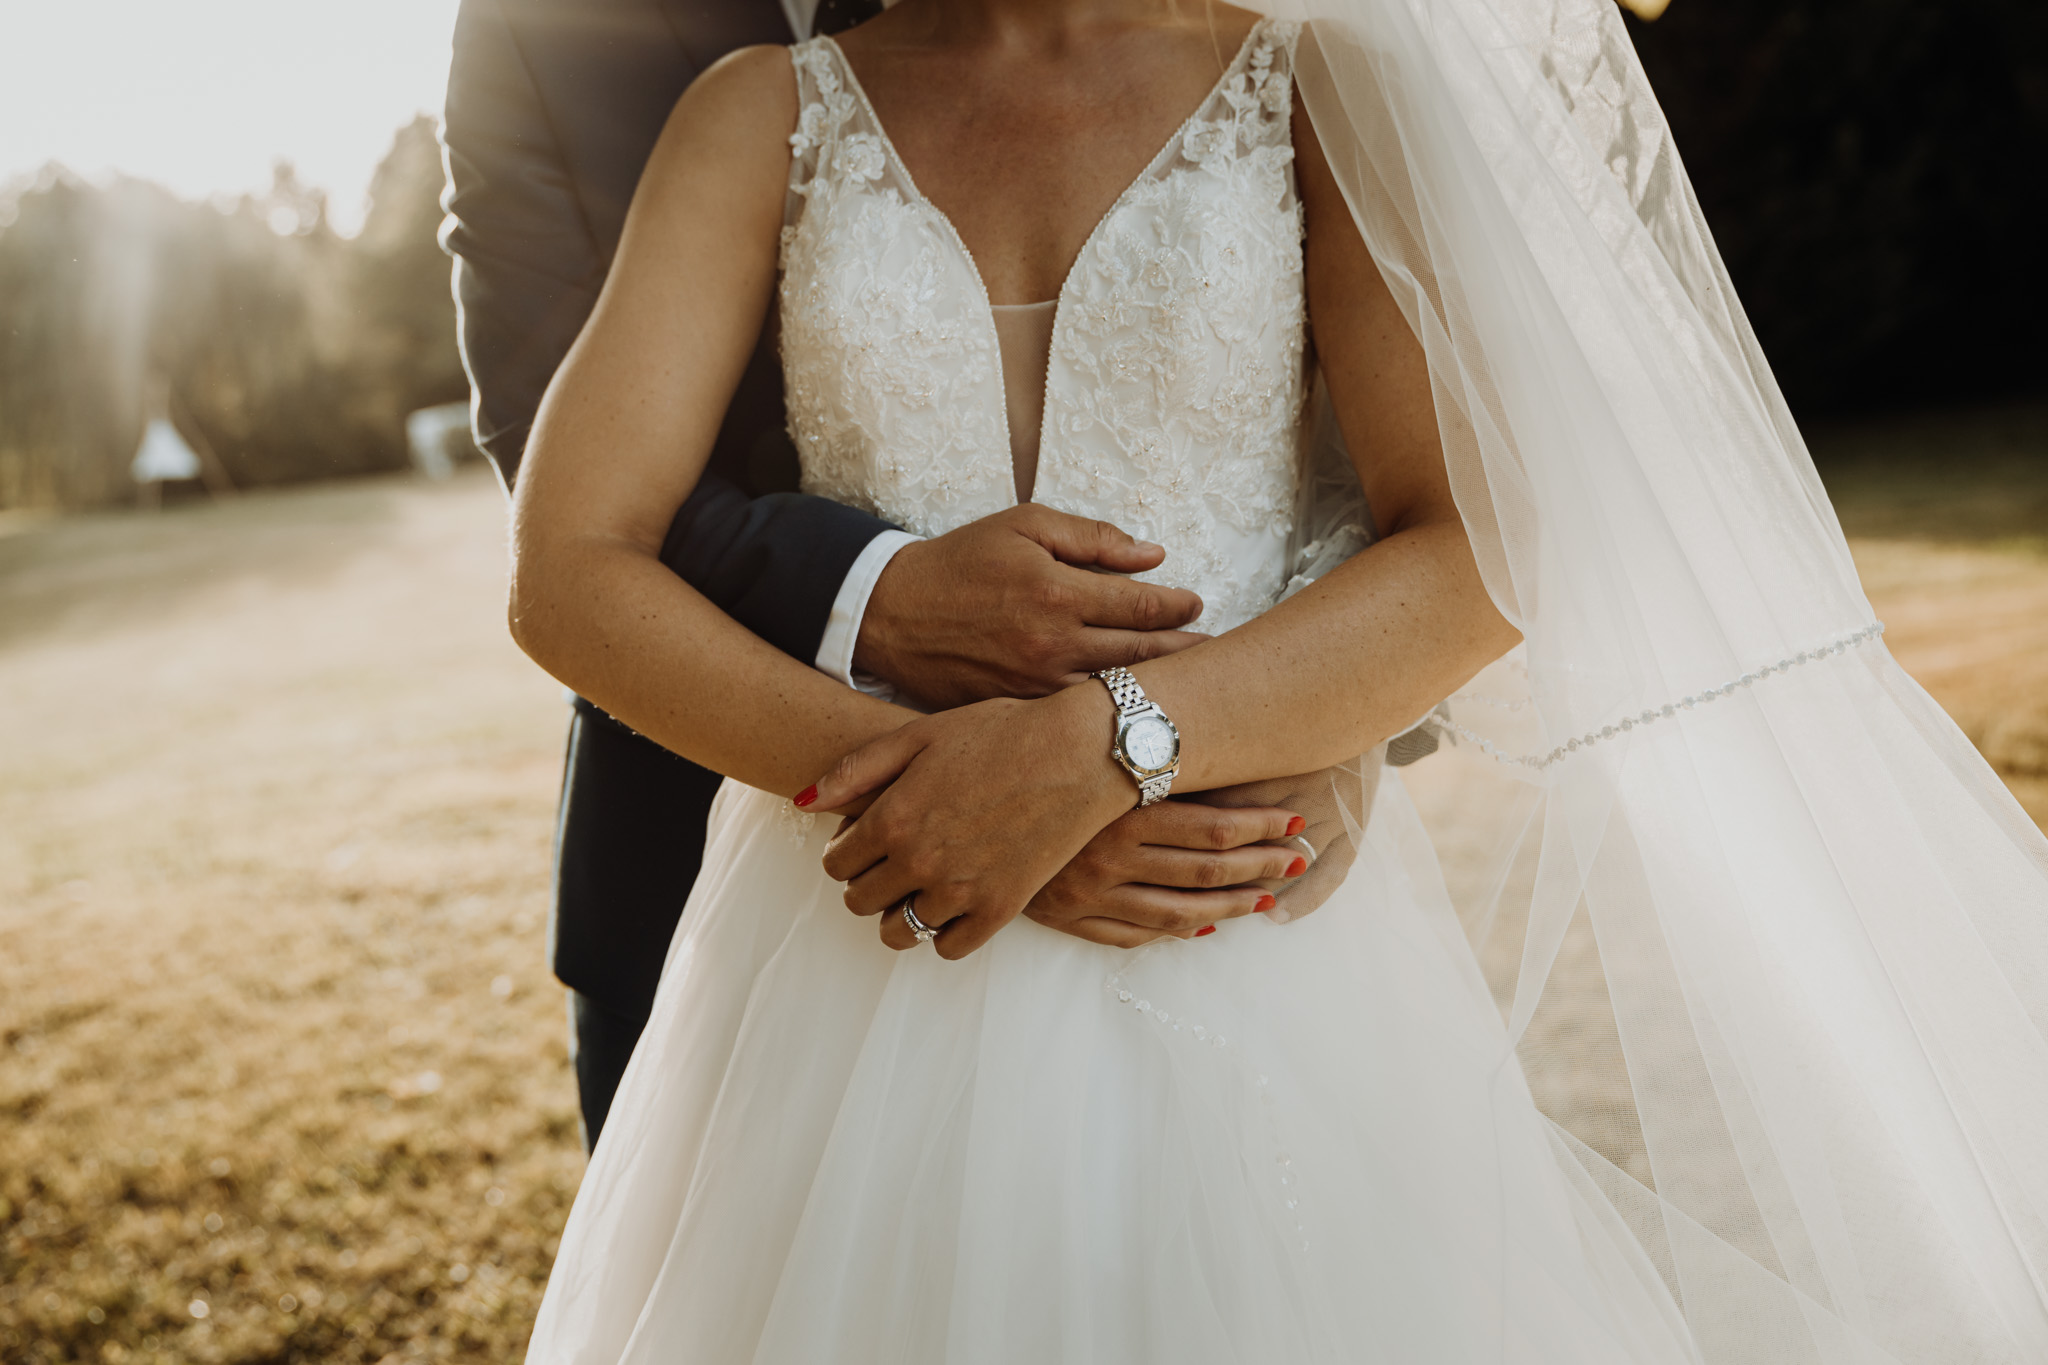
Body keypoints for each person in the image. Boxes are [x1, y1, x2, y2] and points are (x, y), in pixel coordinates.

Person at [509, 0, 2048, 1357]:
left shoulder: (1319, 86)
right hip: (861, 936)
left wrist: (1097, 755)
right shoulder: (756, 114)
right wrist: (930, 794)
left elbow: (1485, 540)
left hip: (1242, 924)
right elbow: (570, 568)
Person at [439, 0, 1358, 1149]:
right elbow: (567, 541)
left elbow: (1458, 524)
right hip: (810, 903)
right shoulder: (731, 100)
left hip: (1232, 889)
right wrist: (940, 784)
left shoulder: (1312, 83)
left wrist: (1283, 726)